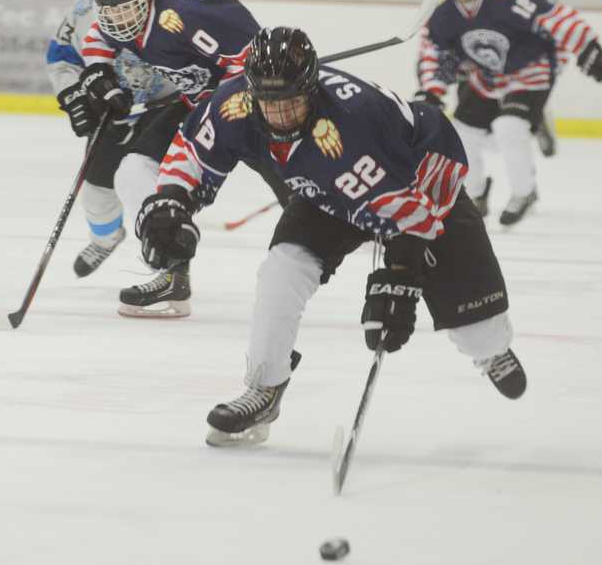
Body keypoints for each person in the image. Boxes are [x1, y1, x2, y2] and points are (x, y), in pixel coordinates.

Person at [136, 27, 527, 447]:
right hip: (324, 189)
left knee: (476, 329)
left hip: (419, 185)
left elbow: (409, 212)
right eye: (270, 102)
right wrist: (171, 200)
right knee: (281, 271)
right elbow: (192, 151)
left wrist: (399, 274)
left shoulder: (355, 122)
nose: (281, 115)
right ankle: (264, 387)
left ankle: (490, 349)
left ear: (312, 90)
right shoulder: (234, 102)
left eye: (292, 102)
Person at [73, 0, 291, 317]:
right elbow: (100, 34)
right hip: (197, 107)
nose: (118, 20)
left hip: (250, 111)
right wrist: (97, 74)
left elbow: (250, 60)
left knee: (306, 199)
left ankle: (402, 246)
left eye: (125, 9)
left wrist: (224, 104)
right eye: (110, 11)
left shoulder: (189, 16)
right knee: (133, 169)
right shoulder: (121, 13)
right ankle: (171, 271)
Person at [416, 0, 602, 226]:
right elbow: (435, 53)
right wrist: (432, 90)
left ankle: (524, 193)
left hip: (529, 73)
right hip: (486, 78)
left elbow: (555, 17)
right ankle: (474, 194)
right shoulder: (445, 13)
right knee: (461, 133)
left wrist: (590, 50)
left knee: (508, 127)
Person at [47, 0, 177, 279]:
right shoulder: (87, 6)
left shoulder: (178, 11)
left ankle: (161, 248)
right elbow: (62, 56)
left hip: (164, 108)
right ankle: (105, 238)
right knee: (96, 181)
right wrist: (75, 95)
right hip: (111, 102)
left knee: (150, 180)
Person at [481, 0, 559, 158]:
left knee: (517, 114)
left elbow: (554, 31)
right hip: (498, 64)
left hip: (531, 65)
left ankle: (537, 119)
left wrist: (552, 67)